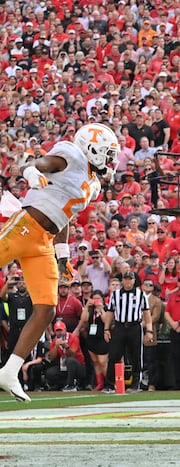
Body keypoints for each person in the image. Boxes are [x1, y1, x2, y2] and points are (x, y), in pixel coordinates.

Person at [0, 122, 119, 402]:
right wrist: (31, 171)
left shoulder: (93, 183)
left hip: (44, 241)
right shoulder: (72, 156)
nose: (112, 160)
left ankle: (9, 371)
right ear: (92, 150)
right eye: (108, 154)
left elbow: (65, 213)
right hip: (26, 227)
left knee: (46, 309)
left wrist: (63, 252)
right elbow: (42, 162)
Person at [102, 271, 152, 393]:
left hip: (135, 326)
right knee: (114, 355)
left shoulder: (141, 294)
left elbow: (146, 313)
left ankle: (136, 384)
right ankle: (109, 384)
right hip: (119, 326)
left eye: (130, 279)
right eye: (126, 279)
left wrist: (149, 331)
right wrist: (106, 329)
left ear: (134, 281)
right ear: (122, 280)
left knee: (136, 356)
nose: (128, 281)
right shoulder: (116, 294)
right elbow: (110, 312)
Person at [77, 289, 109, 391]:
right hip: (91, 338)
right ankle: (100, 383)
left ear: (102, 299)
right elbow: (84, 319)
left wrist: (101, 309)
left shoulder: (106, 308)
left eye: (98, 298)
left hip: (102, 338)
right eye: (94, 298)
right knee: (95, 362)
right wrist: (86, 307)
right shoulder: (90, 310)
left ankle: (109, 383)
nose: (96, 300)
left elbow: (106, 321)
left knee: (103, 361)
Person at [45, 320, 86, 391]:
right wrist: (56, 346)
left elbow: (73, 354)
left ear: (65, 329)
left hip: (78, 366)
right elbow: (52, 358)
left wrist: (66, 346)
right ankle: (66, 383)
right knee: (50, 372)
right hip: (64, 367)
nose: (59, 332)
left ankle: (71, 385)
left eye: (61, 330)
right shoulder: (54, 341)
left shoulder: (73, 337)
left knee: (70, 360)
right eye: (57, 331)